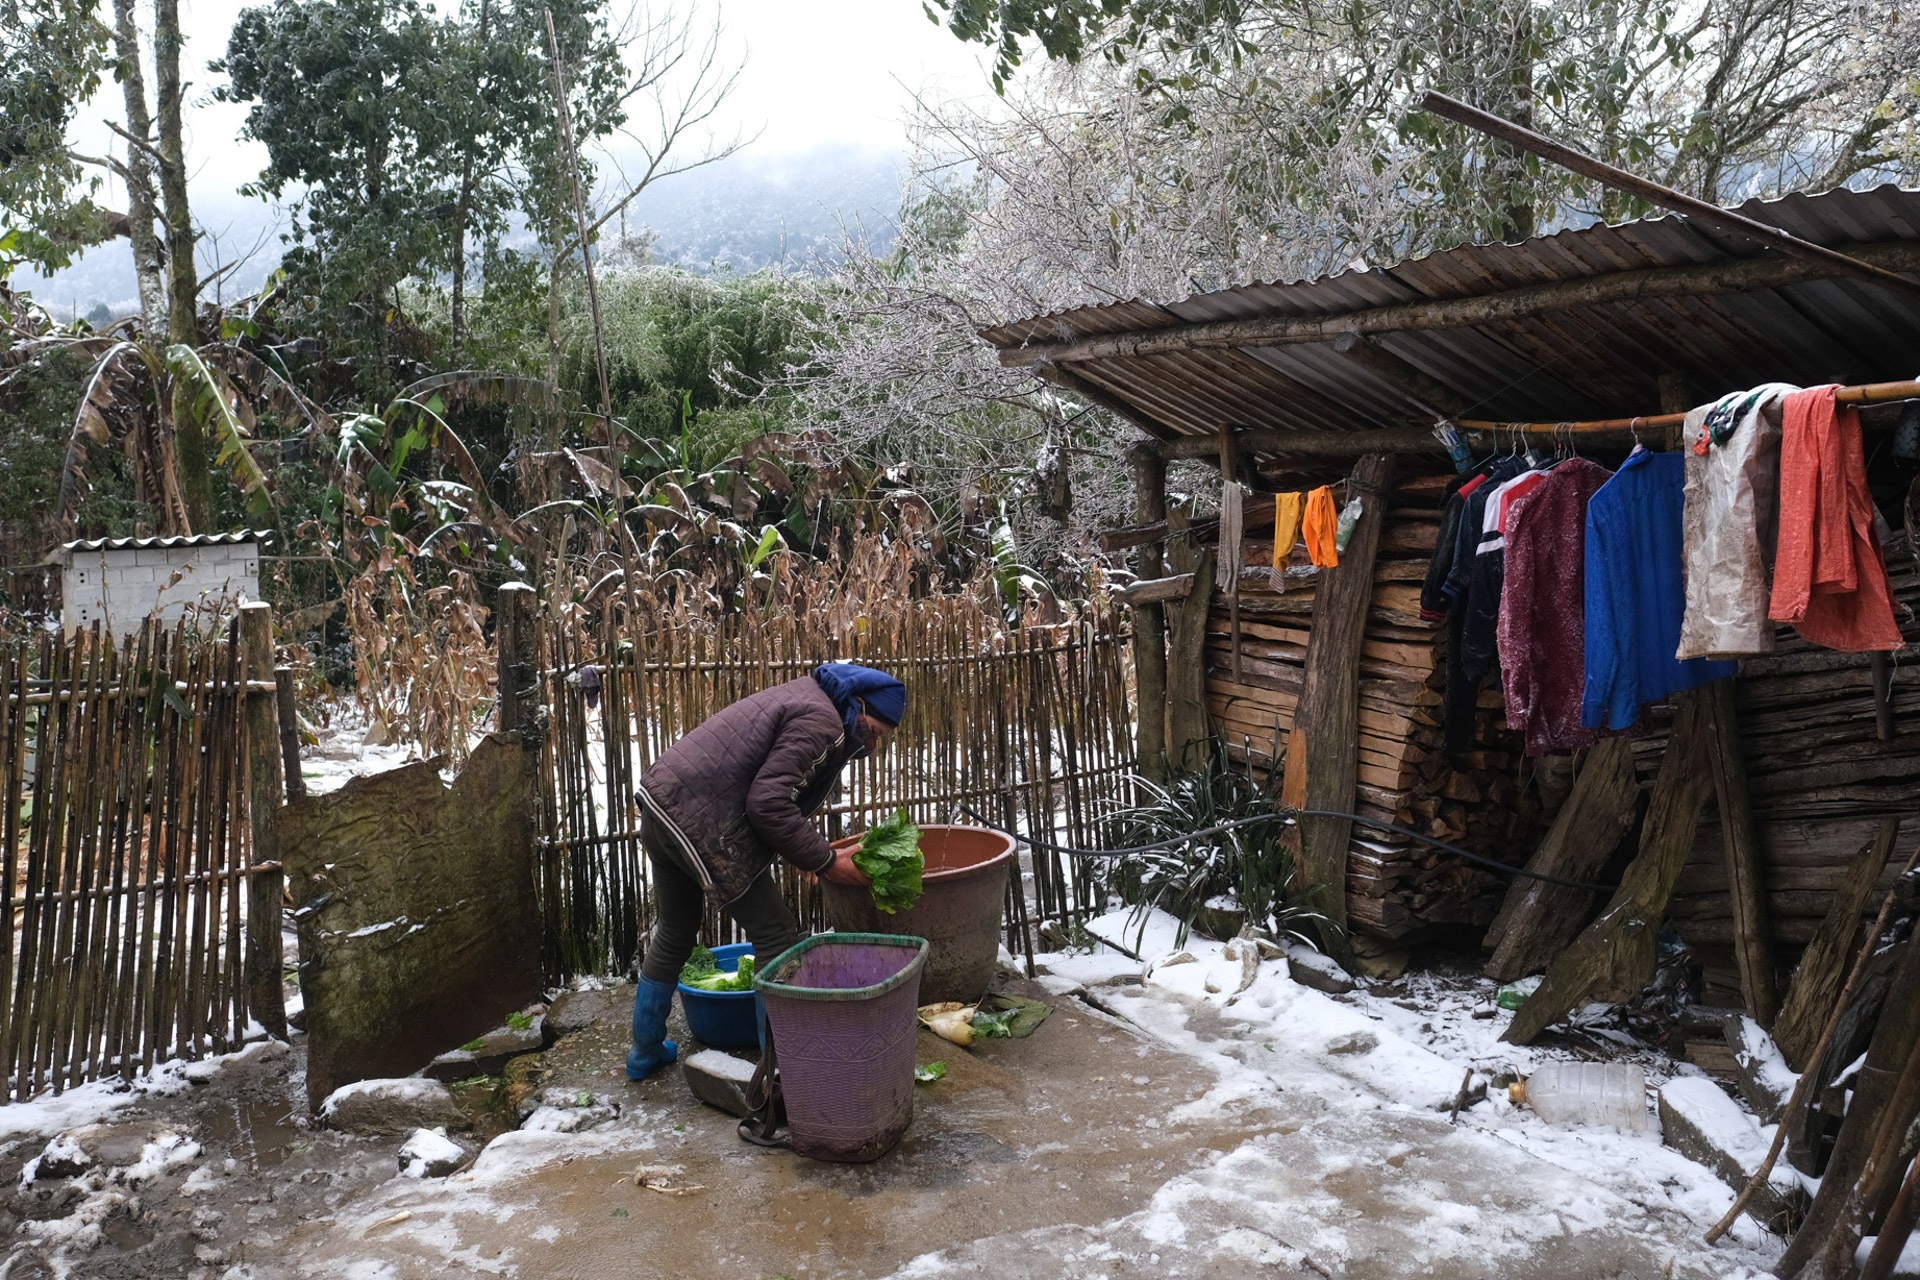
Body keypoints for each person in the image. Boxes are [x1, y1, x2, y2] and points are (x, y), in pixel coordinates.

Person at [624, 661, 905, 1080]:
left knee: (675, 928)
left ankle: (644, 1052)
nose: (872, 745)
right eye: (876, 733)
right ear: (858, 704)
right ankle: (781, 1071)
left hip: (662, 805)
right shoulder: (825, 722)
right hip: (701, 824)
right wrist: (825, 861)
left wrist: (807, 852)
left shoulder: (808, 697)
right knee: (776, 937)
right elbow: (767, 804)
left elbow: (766, 793)